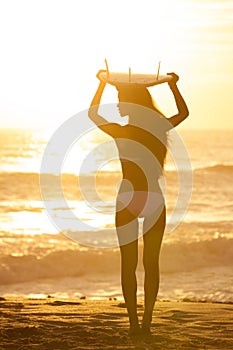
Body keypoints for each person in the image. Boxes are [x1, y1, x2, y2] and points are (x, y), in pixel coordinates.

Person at [88, 69, 189, 335]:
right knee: (151, 263)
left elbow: (92, 114)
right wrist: (173, 86)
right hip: (153, 197)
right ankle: (146, 322)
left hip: (128, 197)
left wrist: (101, 85)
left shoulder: (121, 131)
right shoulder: (158, 127)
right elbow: (183, 113)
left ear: (132, 103)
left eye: (121, 99)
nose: (118, 104)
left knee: (129, 264)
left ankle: (134, 324)